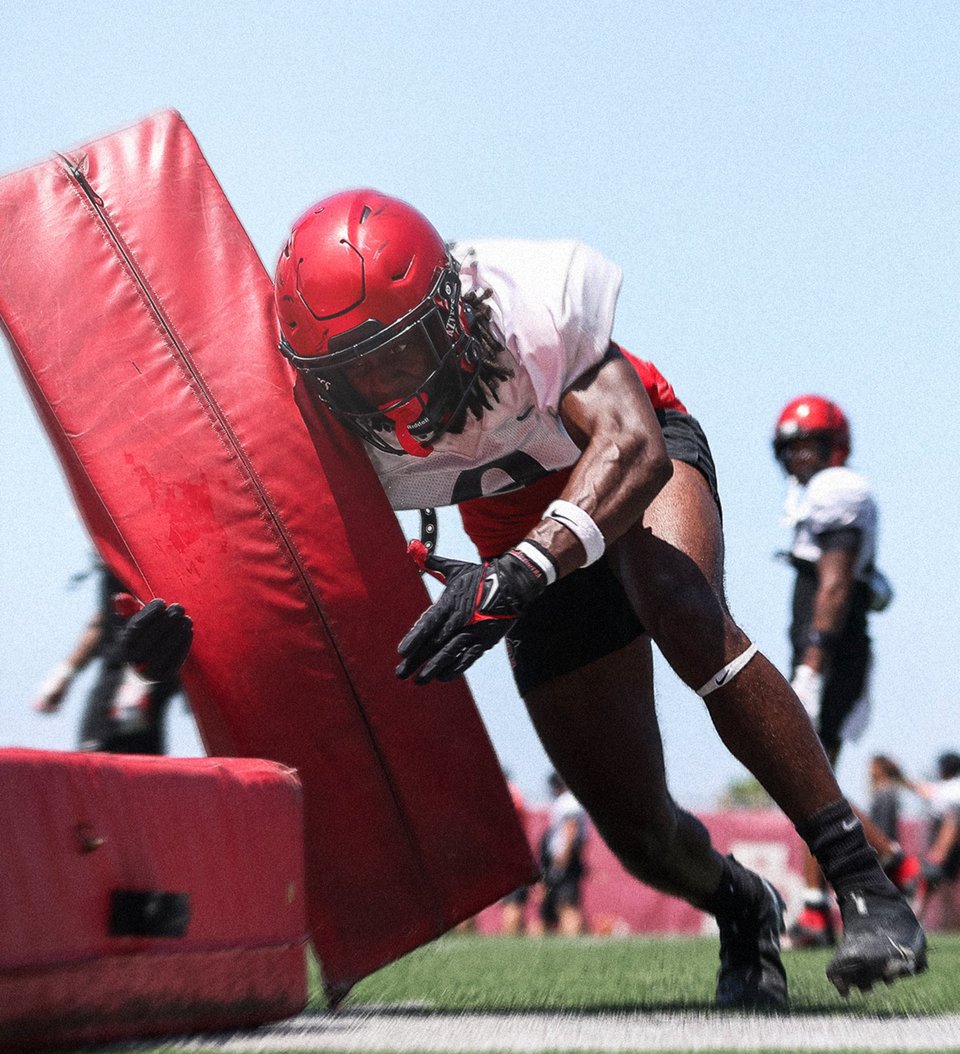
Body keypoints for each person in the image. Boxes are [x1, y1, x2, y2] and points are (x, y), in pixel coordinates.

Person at [136, 189, 926, 1004]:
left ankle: (864, 883)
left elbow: (632, 446)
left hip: (621, 469)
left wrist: (522, 571)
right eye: (354, 372)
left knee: (683, 610)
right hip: (512, 533)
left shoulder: (526, 302)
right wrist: (178, 631)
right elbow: (243, 550)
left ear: (450, 307)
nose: (384, 388)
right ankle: (741, 905)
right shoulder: (309, 413)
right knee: (636, 830)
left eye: (400, 353)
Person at [772, 397, 921, 948]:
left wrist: (812, 667)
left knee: (808, 780)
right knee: (812, 778)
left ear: (833, 446)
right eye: (792, 447)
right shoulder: (818, 493)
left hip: (829, 656)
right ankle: (817, 908)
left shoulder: (838, 490)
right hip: (830, 651)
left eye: (809, 445)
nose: (800, 457)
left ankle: (890, 861)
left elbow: (834, 586)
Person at [34, 560, 183, 754]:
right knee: (136, 757)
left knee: (105, 756)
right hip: (144, 673)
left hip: (133, 676)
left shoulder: (135, 554)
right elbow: (104, 619)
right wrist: (64, 673)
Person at [903, 752, 960, 920]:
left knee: (929, 880)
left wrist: (940, 850)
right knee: (945, 884)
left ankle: (915, 918)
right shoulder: (951, 787)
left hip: (948, 844)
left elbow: (952, 821)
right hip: (951, 843)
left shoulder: (951, 789)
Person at [539, 772, 588, 936]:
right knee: (560, 904)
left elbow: (571, 828)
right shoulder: (570, 801)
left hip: (564, 859)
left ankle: (574, 941)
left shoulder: (569, 802)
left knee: (567, 904)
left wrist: (562, 860)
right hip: (563, 857)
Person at [500, 770, 538, 935]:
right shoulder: (512, 792)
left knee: (513, 901)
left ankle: (510, 937)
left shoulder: (507, 791)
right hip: (514, 854)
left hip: (511, 854)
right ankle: (512, 937)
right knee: (514, 901)